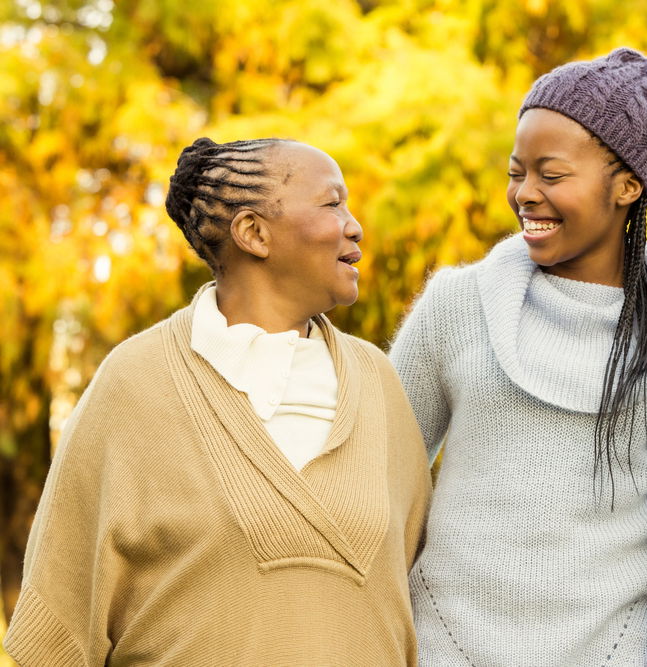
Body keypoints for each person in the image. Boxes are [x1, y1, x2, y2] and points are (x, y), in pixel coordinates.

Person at [3, 138, 431, 666]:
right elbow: (57, 631)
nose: (354, 225)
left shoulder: (380, 385)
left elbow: (423, 588)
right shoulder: (134, 385)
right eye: (331, 203)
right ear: (253, 233)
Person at [389, 48, 647, 665]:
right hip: (443, 641)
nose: (525, 194)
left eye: (550, 175)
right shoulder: (457, 305)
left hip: (618, 648)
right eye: (517, 172)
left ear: (628, 187)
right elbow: (381, 471)